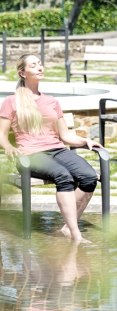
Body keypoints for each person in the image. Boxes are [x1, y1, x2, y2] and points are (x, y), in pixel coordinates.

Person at [0, 54, 101, 243]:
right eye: (34, 65)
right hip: (30, 155)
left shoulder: (52, 101)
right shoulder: (11, 102)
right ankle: (76, 234)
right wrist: (8, 147)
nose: (40, 67)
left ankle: (66, 228)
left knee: (89, 177)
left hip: (58, 150)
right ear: (22, 73)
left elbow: (65, 136)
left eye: (40, 63)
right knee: (64, 176)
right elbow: (2, 135)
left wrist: (85, 141)